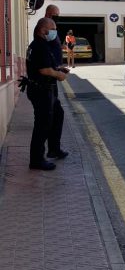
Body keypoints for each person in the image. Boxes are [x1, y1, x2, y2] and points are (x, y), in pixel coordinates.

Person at [26, 17, 70, 171]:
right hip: (41, 90)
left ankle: (53, 149)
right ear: (43, 30)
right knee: (42, 124)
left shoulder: (42, 44)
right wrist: (59, 75)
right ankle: (36, 160)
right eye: (53, 29)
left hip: (45, 89)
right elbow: (44, 70)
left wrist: (58, 70)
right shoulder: (39, 46)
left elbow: (48, 66)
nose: (54, 33)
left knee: (58, 115)